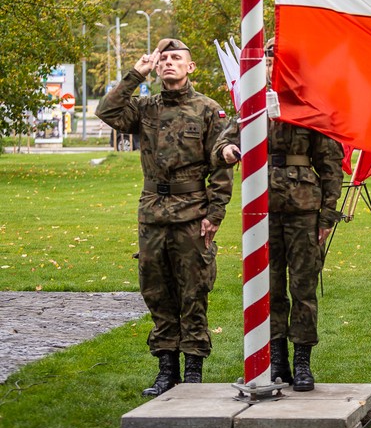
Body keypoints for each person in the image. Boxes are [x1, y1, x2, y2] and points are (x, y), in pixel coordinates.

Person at [96, 38, 233, 397]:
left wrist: (215, 213)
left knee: (193, 290)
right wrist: (134, 74)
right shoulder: (144, 108)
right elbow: (107, 112)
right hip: (153, 212)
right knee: (156, 291)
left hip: (192, 212)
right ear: (157, 68)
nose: (169, 63)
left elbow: (220, 166)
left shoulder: (208, 110)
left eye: (177, 58)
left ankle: (193, 372)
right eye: (164, 59)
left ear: (190, 67)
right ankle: (165, 370)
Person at [213, 37, 344, 392]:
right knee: (268, 290)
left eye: (278, 60)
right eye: (267, 60)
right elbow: (223, 142)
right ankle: (277, 360)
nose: (271, 66)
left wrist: (328, 216)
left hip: (303, 210)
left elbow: (331, 164)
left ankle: (302, 362)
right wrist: (227, 150)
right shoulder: (252, 104)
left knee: (303, 288)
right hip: (262, 210)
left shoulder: (311, 104)